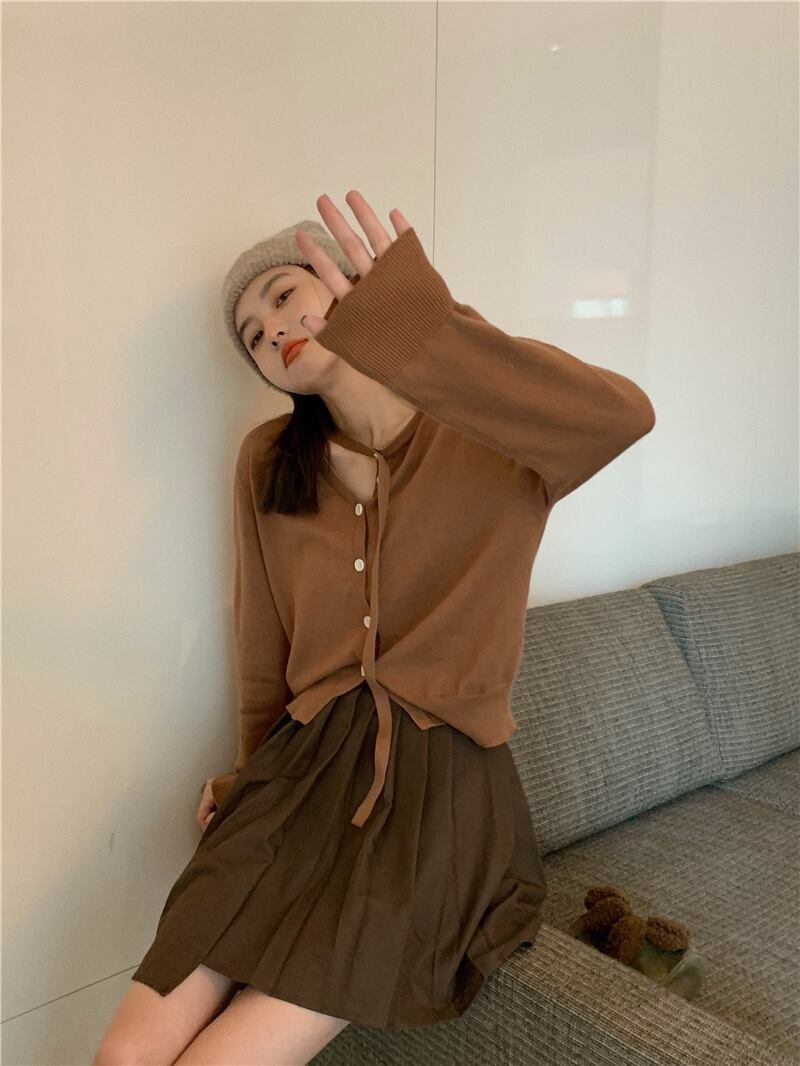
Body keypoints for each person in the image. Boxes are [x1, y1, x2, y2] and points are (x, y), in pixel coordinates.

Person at [93, 190, 655, 1065]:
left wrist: (427, 330)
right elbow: (263, 648)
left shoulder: (497, 439)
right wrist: (248, 773)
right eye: (252, 334)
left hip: (437, 793)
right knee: (123, 1056)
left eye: (285, 294)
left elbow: (624, 416)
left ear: (353, 288)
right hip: (295, 779)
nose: (273, 331)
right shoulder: (266, 462)